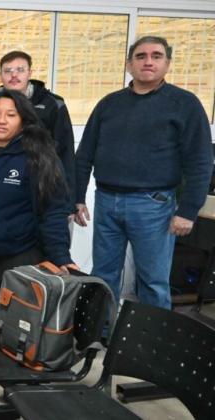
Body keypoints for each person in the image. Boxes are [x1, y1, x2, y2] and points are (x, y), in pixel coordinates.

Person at [74, 36, 212, 309]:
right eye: (141, 56)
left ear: (167, 63)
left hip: (154, 205)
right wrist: (77, 197)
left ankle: (151, 345)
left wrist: (188, 210)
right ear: (129, 64)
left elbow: (200, 160)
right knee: (103, 276)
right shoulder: (109, 104)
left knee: (152, 281)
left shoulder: (184, 104)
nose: (148, 61)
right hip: (106, 201)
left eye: (156, 56)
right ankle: (101, 336)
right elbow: (84, 154)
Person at [0, 89, 77, 330]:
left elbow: (54, 210)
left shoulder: (39, 154)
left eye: (11, 115)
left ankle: (10, 363)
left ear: (24, 119)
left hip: (18, 253)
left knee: (15, 316)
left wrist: (61, 256)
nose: (1, 120)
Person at [0, 51, 75, 209]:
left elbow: (66, 151)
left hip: (43, 182)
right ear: (0, 75)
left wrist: (72, 199)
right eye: (8, 71)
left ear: (30, 73)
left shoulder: (53, 103)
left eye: (20, 70)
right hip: (6, 182)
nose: (13, 75)